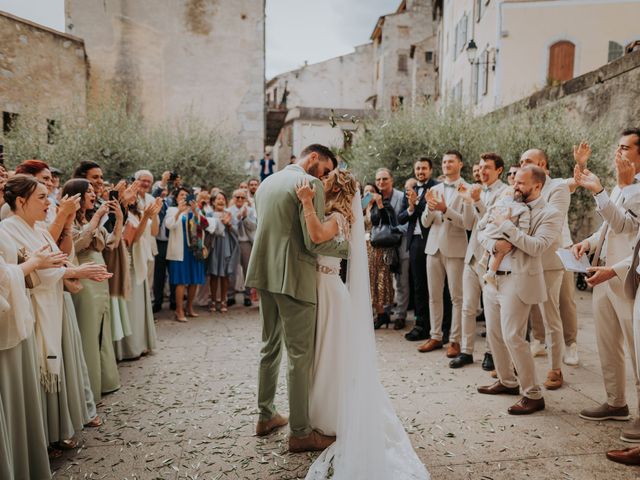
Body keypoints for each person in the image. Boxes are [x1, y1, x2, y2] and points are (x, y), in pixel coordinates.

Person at [296, 171, 429, 479]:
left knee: (331, 355)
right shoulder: (335, 213)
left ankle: (331, 414)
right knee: (325, 353)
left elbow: (316, 235)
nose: (319, 185)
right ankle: (318, 409)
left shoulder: (340, 218)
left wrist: (305, 204)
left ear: (336, 191)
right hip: (322, 289)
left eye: (325, 182)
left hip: (328, 290)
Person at [246, 144, 349, 453]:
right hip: (294, 277)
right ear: (313, 158)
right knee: (300, 357)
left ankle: (265, 416)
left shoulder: (266, 183)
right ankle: (301, 433)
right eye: (327, 169)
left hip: (263, 273)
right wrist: (347, 249)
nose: (327, 177)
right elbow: (312, 240)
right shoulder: (310, 184)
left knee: (269, 346)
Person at [0, 175, 111, 451]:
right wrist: (75, 271)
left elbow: (55, 260)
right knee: (39, 371)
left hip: (52, 303)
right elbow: (32, 270)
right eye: (41, 197)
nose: (48, 203)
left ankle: (54, 429)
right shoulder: (7, 230)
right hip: (33, 308)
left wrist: (70, 271)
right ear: (21, 201)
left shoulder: (37, 228)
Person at [477, 165, 563, 415]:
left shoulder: (550, 213)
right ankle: (507, 381)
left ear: (537, 186)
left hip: (520, 278)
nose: (515, 186)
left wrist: (508, 228)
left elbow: (536, 247)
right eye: (515, 182)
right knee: (494, 333)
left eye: (521, 184)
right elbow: (482, 232)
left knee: (513, 336)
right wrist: (495, 246)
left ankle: (533, 394)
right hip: (493, 276)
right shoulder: (506, 200)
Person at [572, 128, 640, 440]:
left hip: (627, 279)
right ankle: (616, 403)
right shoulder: (620, 187)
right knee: (607, 344)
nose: (618, 153)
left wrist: (602, 191)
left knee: (637, 351)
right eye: (618, 146)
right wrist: (586, 244)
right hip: (602, 275)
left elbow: (625, 224)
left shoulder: (633, 188)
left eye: (625, 148)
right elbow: (608, 228)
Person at [63, 178, 123, 402]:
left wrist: (119, 219)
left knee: (101, 327)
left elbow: (113, 242)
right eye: (88, 191)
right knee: (88, 330)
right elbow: (76, 245)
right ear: (77, 195)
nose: (93, 194)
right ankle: (88, 391)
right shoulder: (69, 222)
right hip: (84, 276)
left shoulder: (89, 218)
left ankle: (105, 380)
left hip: (100, 278)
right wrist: (97, 218)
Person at [450, 153, 507, 369]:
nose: (482, 171)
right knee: (468, 307)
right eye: (481, 167)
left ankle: (491, 352)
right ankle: (466, 351)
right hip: (472, 255)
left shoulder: (505, 192)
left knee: (491, 309)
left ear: (498, 170)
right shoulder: (476, 189)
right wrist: (467, 202)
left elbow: (492, 222)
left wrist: (476, 201)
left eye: (488, 168)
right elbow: (467, 224)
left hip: (492, 259)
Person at [419, 151, 469, 357]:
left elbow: (467, 222)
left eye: (451, 161)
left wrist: (445, 209)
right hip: (433, 248)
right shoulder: (435, 189)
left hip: (456, 249)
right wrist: (431, 209)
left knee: (457, 297)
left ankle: (455, 340)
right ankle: (436, 335)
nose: (447, 164)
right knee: (434, 296)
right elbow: (425, 222)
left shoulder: (467, 188)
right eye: (444, 161)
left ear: (460, 164)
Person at [398, 157, 439, 342]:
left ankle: (438, 327)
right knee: (419, 285)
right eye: (418, 168)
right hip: (414, 242)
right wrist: (411, 207)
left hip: (431, 240)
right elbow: (401, 218)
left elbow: (434, 211)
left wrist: (418, 203)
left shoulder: (436, 188)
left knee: (436, 287)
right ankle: (420, 324)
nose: (420, 171)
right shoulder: (411, 190)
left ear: (430, 170)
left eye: (424, 168)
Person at [117, 195, 162, 360]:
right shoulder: (123, 215)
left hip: (142, 260)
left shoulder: (137, 213)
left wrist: (154, 214)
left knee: (141, 305)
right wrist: (146, 217)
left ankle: (142, 343)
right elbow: (133, 239)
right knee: (132, 305)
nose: (133, 197)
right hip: (130, 263)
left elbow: (154, 232)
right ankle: (131, 347)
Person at [165, 187, 209, 322]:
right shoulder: (172, 210)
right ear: (176, 198)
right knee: (181, 281)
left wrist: (195, 211)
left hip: (194, 249)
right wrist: (179, 211)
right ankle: (179, 310)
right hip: (179, 250)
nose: (184, 197)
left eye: (186, 195)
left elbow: (204, 224)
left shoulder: (195, 210)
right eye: (181, 195)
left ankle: (189, 307)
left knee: (194, 279)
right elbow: (169, 225)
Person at [369, 169, 403, 329]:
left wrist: (381, 204)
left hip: (387, 245)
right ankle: (381, 313)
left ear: (391, 180)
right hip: (371, 247)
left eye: (384, 179)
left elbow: (390, 221)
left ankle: (390, 314)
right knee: (375, 281)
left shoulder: (386, 203)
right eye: (378, 180)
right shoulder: (370, 202)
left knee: (386, 280)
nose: (381, 182)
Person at [207, 192, 239, 313]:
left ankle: (224, 300)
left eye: (223, 198)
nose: (221, 201)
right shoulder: (209, 214)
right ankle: (213, 300)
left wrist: (228, 224)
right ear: (213, 202)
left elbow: (237, 232)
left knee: (225, 274)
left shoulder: (229, 214)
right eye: (218, 199)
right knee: (214, 274)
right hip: (214, 246)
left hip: (226, 245)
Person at [228, 188, 257, 307]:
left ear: (245, 199)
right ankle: (230, 295)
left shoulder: (250, 211)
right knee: (231, 270)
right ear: (233, 198)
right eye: (237, 197)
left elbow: (253, 227)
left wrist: (245, 218)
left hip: (246, 242)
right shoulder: (228, 211)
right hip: (233, 242)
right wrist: (237, 218)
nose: (240, 199)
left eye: (242, 197)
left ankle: (247, 295)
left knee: (247, 270)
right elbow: (230, 227)